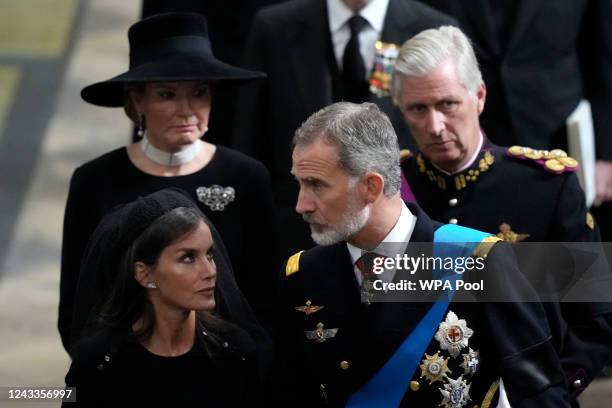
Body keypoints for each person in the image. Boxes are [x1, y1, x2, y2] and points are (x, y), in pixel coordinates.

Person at [273, 101, 568, 407]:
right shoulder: (302, 274)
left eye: (316, 185)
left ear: (371, 187)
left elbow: (540, 393)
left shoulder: (475, 261)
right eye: (299, 183)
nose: (301, 205)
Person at [392, 25, 612, 403]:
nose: (435, 126)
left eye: (447, 104)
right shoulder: (389, 192)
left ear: (478, 96)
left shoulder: (545, 189)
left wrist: (548, 387)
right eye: (417, 109)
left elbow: (595, 318)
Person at [59, 12, 277, 352]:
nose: (187, 109)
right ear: (137, 100)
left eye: (200, 92)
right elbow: (78, 303)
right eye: (167, 94)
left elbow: (266, 296)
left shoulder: (245, 176)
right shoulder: (95, 180)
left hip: (228, 372)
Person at [233, 0, 457, 261]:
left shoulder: (433, 26)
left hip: (406, 244)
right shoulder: (274, 27)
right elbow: (250, 137)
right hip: (300, 242)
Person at [63, 188, 269, 407]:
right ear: (145, 274)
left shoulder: (235, 351)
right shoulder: (98, 362)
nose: (210, 271)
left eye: (209, 254)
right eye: (188, 258)